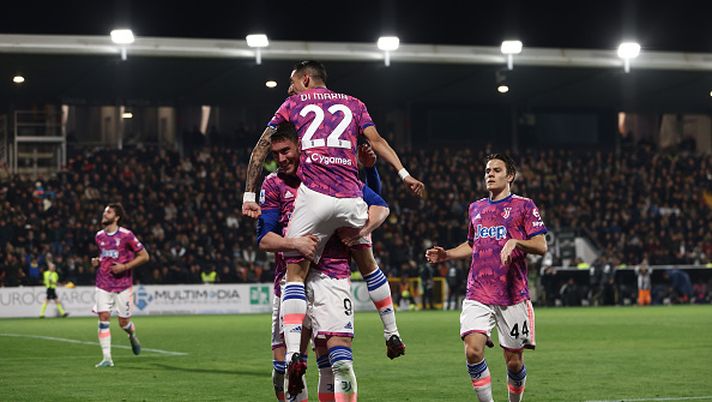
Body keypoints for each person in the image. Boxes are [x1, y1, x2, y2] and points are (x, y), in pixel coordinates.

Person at [243, 60, 422, 393]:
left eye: (292, 82)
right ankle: (391, 330)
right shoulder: (354, 104)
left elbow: (262, 145)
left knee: (333, 357)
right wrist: (403, 174)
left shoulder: (295, 105)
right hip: (349, 198)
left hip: (322, 246)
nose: (289, 88)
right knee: (366, 260)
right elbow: (378, 147)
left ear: (306, 79)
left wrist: (247, 193)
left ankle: (296, 353)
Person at [256, 122, 397, 400]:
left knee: (338, 364)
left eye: (286, 151)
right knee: (284, 369)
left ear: (302, 146)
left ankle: (391, 331)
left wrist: (370, 172)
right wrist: (293, 243)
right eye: (276, 155)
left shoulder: (332, 177)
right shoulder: (273, 184)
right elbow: (265, 240)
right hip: (289, 284)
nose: (281, 160)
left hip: (331, 278)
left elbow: (371, 201)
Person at [425, 153, 547, 402]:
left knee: (513, 363)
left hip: (512, 295)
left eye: (496, 170)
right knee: (472, 351)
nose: (489, 174)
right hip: (478, 292)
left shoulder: (524, 206)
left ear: (509, 176)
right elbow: (473, 244)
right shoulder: (476, 208)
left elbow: (541, 245)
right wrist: (446, 254)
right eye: (487, 170)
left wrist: (516, 242)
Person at [91, 203, 150, 368]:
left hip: (123, 284)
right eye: (104, 211)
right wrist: (97, 261)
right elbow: (105, 256)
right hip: (103, 283)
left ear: (116, 217)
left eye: (108, 212)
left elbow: (145, 256)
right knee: (103, 317)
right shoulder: (99, 236)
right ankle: (107, 358)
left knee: (123, 322)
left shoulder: (126, 235)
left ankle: (131, 334)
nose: (104, 214)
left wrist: (124, 267)